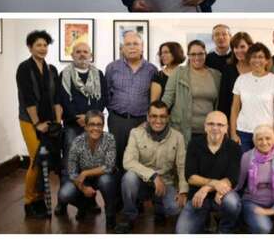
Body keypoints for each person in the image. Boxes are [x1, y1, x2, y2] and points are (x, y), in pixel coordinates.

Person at [116, 101, 188, 234]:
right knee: (129, 178)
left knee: (175, 207)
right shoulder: (136, 133)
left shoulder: (178, 137)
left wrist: (183, 190)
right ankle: (129, 216)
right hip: (142, 182)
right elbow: (128, 161)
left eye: (162, 116)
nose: (158, 120)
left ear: (168, 118)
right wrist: (153, 176)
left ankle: (159, 208)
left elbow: (182, 166)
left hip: (165, 184)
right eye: (154, 116)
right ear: (148, 117)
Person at [55, 42, 108, 216]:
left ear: (90, 55)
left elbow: (103, 99)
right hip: (72, 126)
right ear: (72, 55)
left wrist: (89, 119)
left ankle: (90, 201)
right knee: (68, 165)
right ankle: (62, 202)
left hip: (93, 128)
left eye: (85, 51)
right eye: (78, 52)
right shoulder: (64, 74)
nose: (82, 54)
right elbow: (62, 99)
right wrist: (76, 117)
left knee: (91, 163)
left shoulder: (98, 74)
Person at [17, 30, 63, 219]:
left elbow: (57, 97)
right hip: (30, 121)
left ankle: (40, 199)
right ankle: (30, 202)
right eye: (38, 45)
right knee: (36, 161)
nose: (42, 48)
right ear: (30, 47)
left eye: (45, 45)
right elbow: (28, 99)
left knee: (47, 161)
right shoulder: (24, 68)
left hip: (49, 121)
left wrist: (57, 122)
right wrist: (37, 123)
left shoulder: (52, 69)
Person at [175, 111, 242, 234]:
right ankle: (203, 223)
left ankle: (224, 230)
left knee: (232, 202)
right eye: (211, 124)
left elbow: (231, 179)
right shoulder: (194, 144)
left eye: (220, 125)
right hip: (197, 197)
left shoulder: (234, 148)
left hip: (222, 195)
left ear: (226, 128)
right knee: (182, 233)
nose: (215, 128)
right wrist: (214, 183)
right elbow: (190, 177)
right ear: (205, 126)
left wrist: (206, 188)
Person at [105, 30, 158, 177]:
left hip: (141, 122)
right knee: (117, 158)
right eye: (128, 44)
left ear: (142, 47)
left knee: (140, 157)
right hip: (117, 120)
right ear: (122, 48)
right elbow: (106, 93)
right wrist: (114, 112)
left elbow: (154, 96)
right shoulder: (112, 68)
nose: (132, 47)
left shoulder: (152, 70)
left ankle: (136, 189)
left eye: (136, 44)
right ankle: (117, 190)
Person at [57, 110, 117, 229]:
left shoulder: (109, 139)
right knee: (64, 194)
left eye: (99, 124)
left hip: (102, 176)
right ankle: (83, 205)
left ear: (103, 125)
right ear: (85, 126)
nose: (96, 128)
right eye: (92, 124)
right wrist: (83, 188)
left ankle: (110, 215)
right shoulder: (77, 142)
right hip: (83, 180)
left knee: (107, 181)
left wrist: (85, 172)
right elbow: (72, 172)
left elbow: (109, 166)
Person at [230, 42, 274, 153]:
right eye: (254, 57)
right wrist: (233, 132)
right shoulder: (241, 79)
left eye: (261, 57)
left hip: (265, 134)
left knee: (264, 164)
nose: (257, 60)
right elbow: (235, 108)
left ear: (267, 60)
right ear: (249, 59)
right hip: (243, 132)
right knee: (244, 163)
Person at [162, 39, 221, 143]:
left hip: (209, 131)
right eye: (193, 54)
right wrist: (157, 118)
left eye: (200, 54)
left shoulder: (216, 75)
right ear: (188, 55)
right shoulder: (179, 73)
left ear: (205, 54)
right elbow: (167, 99)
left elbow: (219, 104)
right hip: (182, 130)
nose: (197, 57)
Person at [218, 31, 253, 120]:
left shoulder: (258, 68)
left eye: (242, 47)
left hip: (256, 118)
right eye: (235, 47)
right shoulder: (228, 69)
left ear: (250, 47)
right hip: (234, 119)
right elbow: (223, 100)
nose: (239, 50)